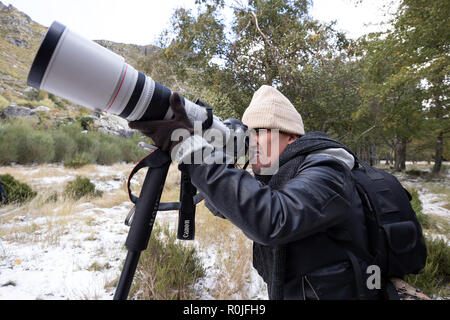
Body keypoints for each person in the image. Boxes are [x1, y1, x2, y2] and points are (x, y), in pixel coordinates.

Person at [129, 85, 381, 300]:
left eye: (261, 132)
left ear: (292, 137)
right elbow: (231, 206)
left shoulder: (328, 170)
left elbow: (272, 219)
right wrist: (209, 152)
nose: (252, 142)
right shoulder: (282, 175)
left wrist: (190, 150)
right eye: (249, 134)